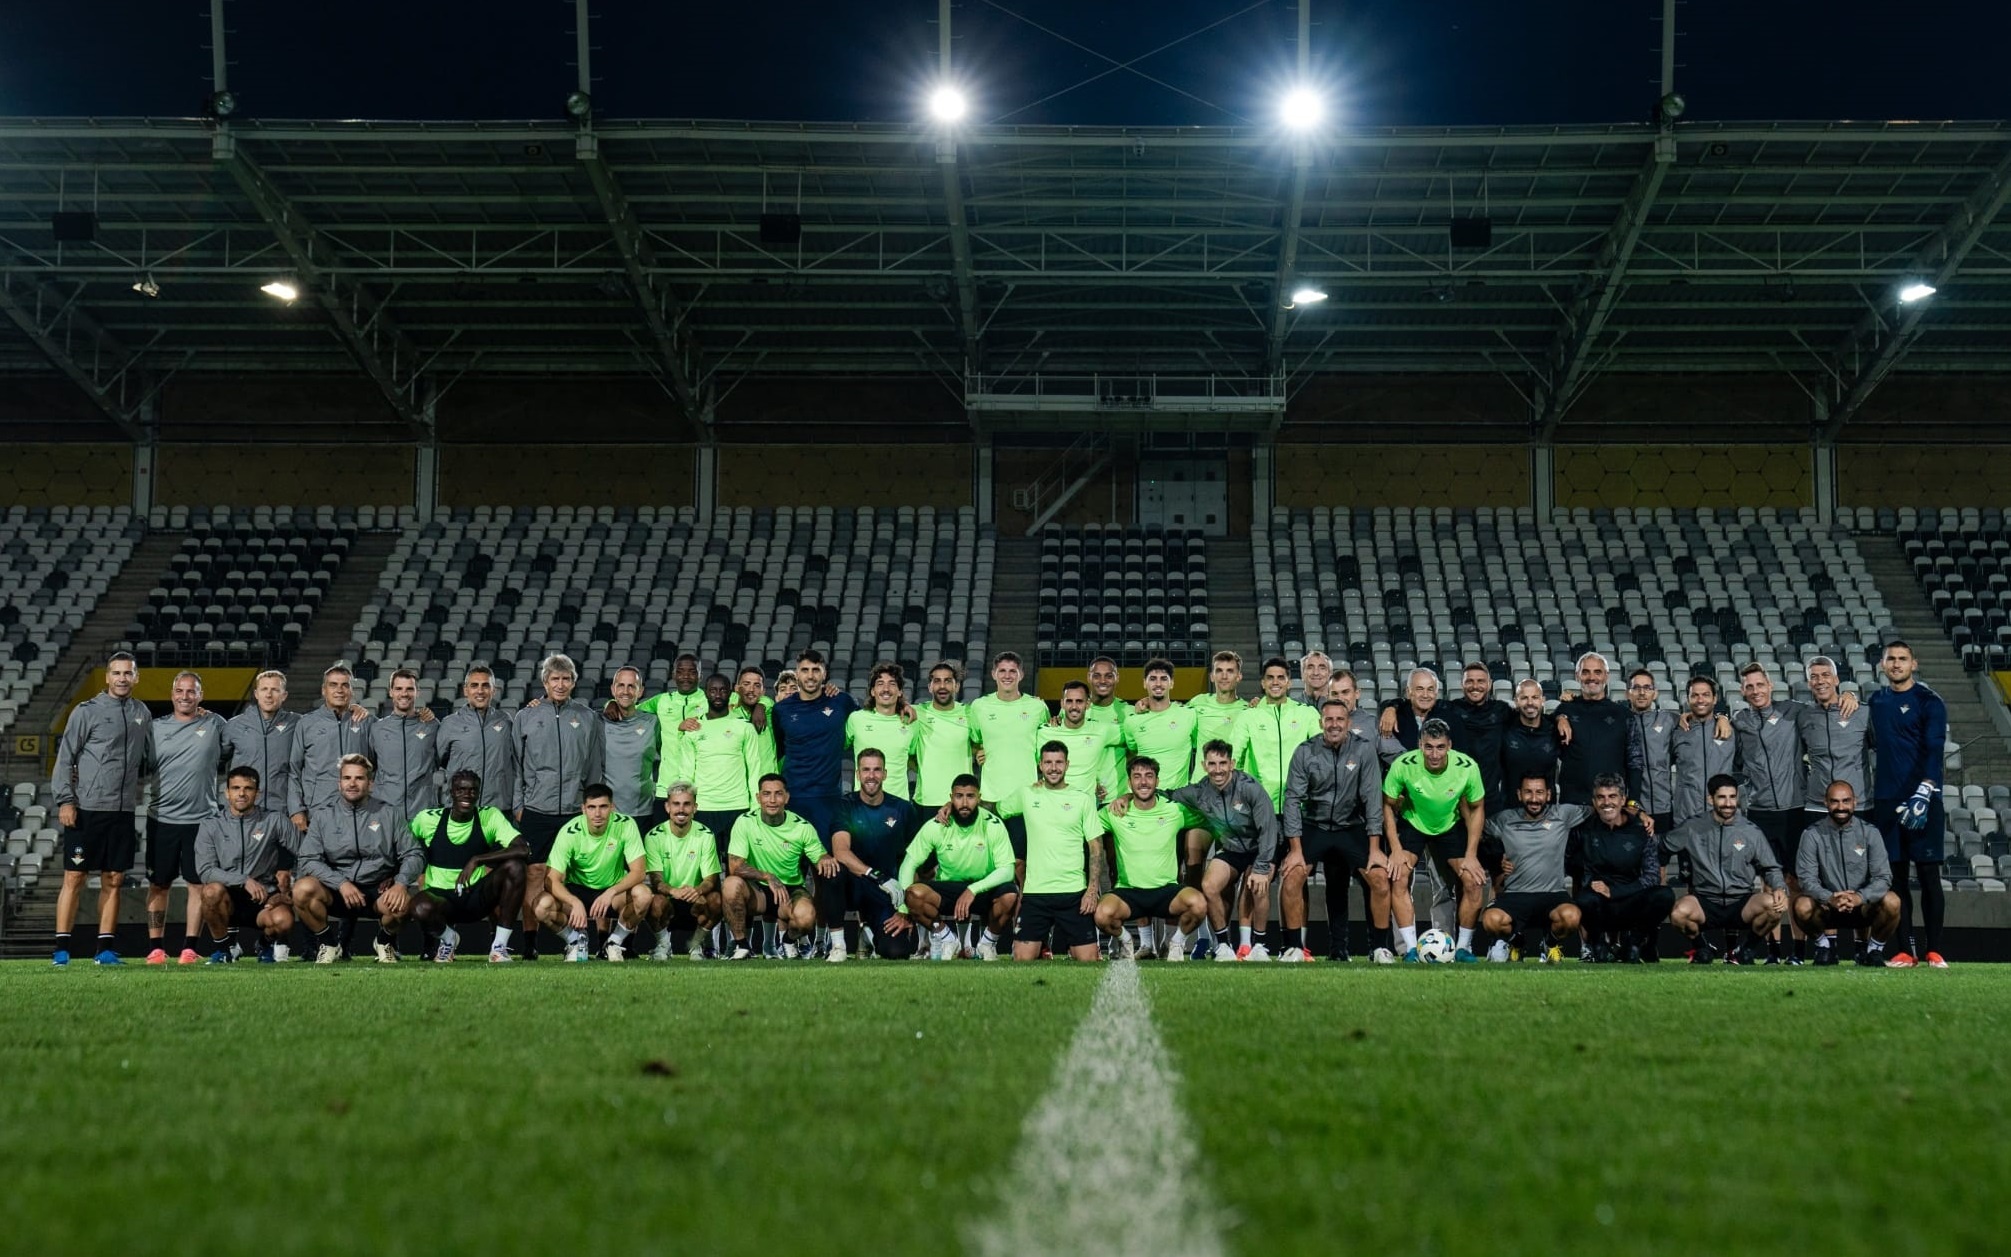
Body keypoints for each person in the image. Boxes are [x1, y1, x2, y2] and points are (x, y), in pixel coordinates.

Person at [1729, 661, 1857, 963]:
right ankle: (1773, 952)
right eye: (1749, 686)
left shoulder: (1794, 711)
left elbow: (1825, 703)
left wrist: (1848, 692)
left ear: (1770, 686)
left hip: (1795, 809)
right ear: (1742, 691)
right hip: (1760, 813)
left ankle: (1799, 951)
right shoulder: (1739, 721)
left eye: (1760, 684)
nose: (1756, 690)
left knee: (1796, 882)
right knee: (1768, 884)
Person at [51, 650, 150, 966]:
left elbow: (149, 756)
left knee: (114, 880)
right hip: (86, 811)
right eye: (117, 673)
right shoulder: (86, 711)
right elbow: (65, 757)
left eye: (128, 673)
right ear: (107, 677)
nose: (122, 678)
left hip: (121, 812)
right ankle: (61, 949)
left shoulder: (142, 713)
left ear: (136, 678)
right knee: (75, 877)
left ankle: (104, 949)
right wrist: (66, 799)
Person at [1146, 739, 1278, 961]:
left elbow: (1269, 828)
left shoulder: (1250, 788)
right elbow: (1169, 795)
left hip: (1260, 849)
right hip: (1232, 849)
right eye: (1212, 764)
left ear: (1232, 763)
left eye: (1223, 763)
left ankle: (1260, 946)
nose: (1218, 770)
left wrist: (1262, 866)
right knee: (1208, 884)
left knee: (1258, 885)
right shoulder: (1200, 791)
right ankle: (1223, 946)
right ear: (1204, 765)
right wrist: (1130, 796)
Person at [511, 652, 606, 959]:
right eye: (555, 679)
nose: (561, 684)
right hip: (537, 810)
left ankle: (576, 940)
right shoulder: (526, 716)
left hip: (573, 811)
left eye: (566, 679)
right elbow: (516, 765)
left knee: (571, 877)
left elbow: (594, 766)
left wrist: (589, 805)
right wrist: (519, 805)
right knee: (534, 875)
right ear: (545, 682)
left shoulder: (588, 717)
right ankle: (529, 945)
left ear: (574, 682)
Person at [1280, 699, 1386, 964]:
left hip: (1351, 825)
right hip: (1315, 825)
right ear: (1321, 723)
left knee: (1380, 880)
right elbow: (1292, 800)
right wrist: (1295, 851)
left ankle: (1381, 949)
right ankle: (1293, 948)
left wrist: (1374, 849)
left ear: (1349, 723)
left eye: (1340, 719)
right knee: (1292, 877)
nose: (1334, 724)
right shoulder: (1305, 751)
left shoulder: (1363, 750)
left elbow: (1373, 799)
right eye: (1329, 720)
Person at [1865, 640, 1949, 968]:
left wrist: (1926, 790)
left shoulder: (1930, 701)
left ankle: (1935, 950)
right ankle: (1906, 950)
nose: (1897, 664)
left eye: (1903, 659)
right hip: (1886, 800)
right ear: (1883, 665)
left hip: (1924, 799)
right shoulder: (1876, 701)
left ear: (1914, 664)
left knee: (1928, 875)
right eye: (1891, 659)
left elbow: (1934, 748)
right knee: (1896, 878)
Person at [292, 754, 421, 964]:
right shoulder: (323, 816)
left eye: (359, 778)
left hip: (377, 890)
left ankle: (384, 941)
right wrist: (341, 883)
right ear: (339, 783)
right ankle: (328, 943)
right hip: (337, 892)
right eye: (347, 778)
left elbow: (414, 853)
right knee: (302, 889)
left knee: (404, 902)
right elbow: (308, 859)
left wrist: (400, 883)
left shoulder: (389, 813)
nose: (352, 783)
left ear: (370, 783)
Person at [1382, 718, 1486, 962]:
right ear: (1420, 745)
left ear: (1449, 745)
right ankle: (1409, 950)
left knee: (1473, 881)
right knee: (1398, 878)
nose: (1434, 754)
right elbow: (1386, 804)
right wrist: (1396, 849)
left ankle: (1462, 948)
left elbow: (1477, 807)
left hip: (1450, 825)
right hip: (1414, 822)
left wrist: (1471, 856)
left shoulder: (1467, 767)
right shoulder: (1403, 765)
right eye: (1428, 747)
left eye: (1440, 747)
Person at [144, 670, 228, 965]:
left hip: (202, 821)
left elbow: (241, 744)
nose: (185, 696)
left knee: (197, 886)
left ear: (200, 696)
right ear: (172, 694)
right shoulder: (154, 728)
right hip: (161, 818)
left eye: (191, 691)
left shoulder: (216, 724)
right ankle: (156, 947)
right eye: (180, 691)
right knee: (158, 885)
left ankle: (189, 948)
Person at [995, 742, 1106, 963]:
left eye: (1058, 762)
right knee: (1022, 958)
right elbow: (996, 809)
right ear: (1040, 765)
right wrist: (951, 805)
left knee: (1088, 960)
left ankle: (1073, 947)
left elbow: (1096, 847)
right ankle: (1042, 946)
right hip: (1036, 894)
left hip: (1074, 892)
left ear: (1067, 765)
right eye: (1048, 762)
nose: (1053, 768)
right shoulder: (1026, 794)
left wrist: (1092, 889)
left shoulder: (1082, 798)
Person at [1661, 774, 1787, 964]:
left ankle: (1746, 950)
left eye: (1732, 797)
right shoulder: (1693, 827)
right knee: (1678, 913)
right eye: (1722, 797)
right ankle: (1702, 947)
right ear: (1710, 799)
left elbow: (1771, 867)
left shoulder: (1751, 831)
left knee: (1774, 906)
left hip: (1741, 902)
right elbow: (1662, 846)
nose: (1728, 803)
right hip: (1705, 901)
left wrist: (1780, 888)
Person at [406, 769, 528, 964]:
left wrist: (477, 859)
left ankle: (499, 948)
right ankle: (448, 939)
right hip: (442, 899)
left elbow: (523, 849)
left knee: (516, 867)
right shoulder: (427, 819)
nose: (467, 795)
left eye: (472, 790)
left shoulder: (489, 816)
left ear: (478, 794)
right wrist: (398, 877)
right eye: (461, 790)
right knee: (419, 907)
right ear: (451, 792)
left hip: (476, 896)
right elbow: (402, 847)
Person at [1095, 756, 1208, 961]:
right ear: (1129, 783)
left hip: (1166, 892)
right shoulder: (1115, 812)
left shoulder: (1174, 810)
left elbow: (1209, 815)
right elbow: (1085, 821)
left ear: (1157, 781)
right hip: (1129, 893)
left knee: (1199, 904)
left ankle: (1176, 943)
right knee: (1102, 914)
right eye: (1137, 777)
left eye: (1149, 776)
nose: (1143, 782)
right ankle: (1126, 940)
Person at [901, 774, 1019, 961]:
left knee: (1010, 895)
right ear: (951, 798)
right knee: (913, 894)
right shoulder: (937, 825)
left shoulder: (993, 824)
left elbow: (1007, 870)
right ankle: (948, 939)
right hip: (948, 889)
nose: (964, 803)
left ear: (979, 798)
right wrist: (902, 909)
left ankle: (987, 944)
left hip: (982, 888)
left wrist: (973, 889)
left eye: (970, 796)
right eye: (959, 796)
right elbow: (908, 864)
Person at [1477, 774, 1588, 964]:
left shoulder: (1564, 814)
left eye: (1539, 792)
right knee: (1490, 920)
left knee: (1572, 917)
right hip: (1516, 895)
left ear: (1549, 794)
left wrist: (1639, 813)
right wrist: (1497, 861)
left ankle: (1549, 943)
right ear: (1519, 795)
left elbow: (1603, 809)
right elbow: (1476, 830)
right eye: (1528, 792)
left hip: (1553, 894)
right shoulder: (1505, 819)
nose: (1534, 799)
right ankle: (1517, 943)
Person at [826, 748, 924, 961]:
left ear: (885, 774)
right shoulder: (845, 805)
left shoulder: (902, 809)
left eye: (877, 770)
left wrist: (906, 908)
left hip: (888, 894)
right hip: (856, 886)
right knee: (833, 871)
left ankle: (868, 935)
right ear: (858, 774)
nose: (871, 775)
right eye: (866, 770)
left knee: (896, 952)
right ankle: (839, 947)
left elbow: (915, 861)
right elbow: (841, 851)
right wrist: (877, 876)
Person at [191, 766, 295, 963]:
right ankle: (224, 950)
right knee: (210, 892)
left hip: (264, 897)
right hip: (227, 899)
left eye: (248, 788)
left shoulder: (274, 820)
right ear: (226, 793)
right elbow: (205, 871)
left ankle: (264, 944)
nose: (241, 793)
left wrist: (291, 890)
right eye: (236, 788)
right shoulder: (210, 825)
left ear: (257, 793)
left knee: (284, 921)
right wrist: (243, 880)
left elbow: (307, 853)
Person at [535, 783, 648, 962]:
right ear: (583, 809)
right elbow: (551, 880)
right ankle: (575, 942)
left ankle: (613, 943)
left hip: (612, 893)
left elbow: (639, 872)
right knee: (542, 906)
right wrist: (574, 901)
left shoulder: (626, 824)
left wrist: (610, 892)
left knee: (643, 895)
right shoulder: (569, 832)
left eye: (603, 807)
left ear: (612, 807)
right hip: (577, 891)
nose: (597, 813)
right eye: (592, 807)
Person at [1794, 780, 1901, 967]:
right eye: (1834, 801)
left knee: (1893, 901)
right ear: (1825, 802)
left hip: (1863, 906)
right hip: (1828, 906)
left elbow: (1883, 877)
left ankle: (1873, 950)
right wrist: (1829, 898)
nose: (1840, 807)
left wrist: (1860, 897)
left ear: (1855, 802)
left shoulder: (1870, 833)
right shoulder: (1811, 834)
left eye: (1845, 801)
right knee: (1801, 906)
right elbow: (1806, 880)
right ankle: (1824, 947)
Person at [721, 774, 829, 960]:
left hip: (790, 892)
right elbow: (735, 866)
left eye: (778, 794)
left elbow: (820, 857)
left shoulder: (802, 827)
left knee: (807, 916)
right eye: (766, 794)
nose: (772, 800)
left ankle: (788, 941)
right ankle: (742, 946)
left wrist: (826, 858)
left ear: (786, 797)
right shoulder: (745, 821)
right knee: (731, 884)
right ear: (758, 798)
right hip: (758, 893)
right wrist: (768, 876)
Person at [1569, 774, 1675, 963]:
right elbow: (1564, 859)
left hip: (1631, 902)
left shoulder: (1641, 830)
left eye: (1612, 796)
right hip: (1600, 905)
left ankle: (1633, 944)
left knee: (1664, 895)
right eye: (1600, 797)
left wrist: (1615, 891)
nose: (1606, 802)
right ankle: (1598, 944)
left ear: (1623, 799)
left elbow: (1652, 876)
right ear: (1594, 801)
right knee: (1583, 898)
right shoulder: (1583, 830)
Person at [769, 648, 864, 849]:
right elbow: (779, 747)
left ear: (824, 673)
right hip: (793, 796)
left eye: (816, 670)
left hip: (828, 798)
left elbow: (872, 716)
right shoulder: (782, 709)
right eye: (805, 670)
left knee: (827, 866)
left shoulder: (841, 701)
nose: (810, 676)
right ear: (797, 673)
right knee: (792, 865)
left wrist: (903, 706)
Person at [666, 673, 763, 857]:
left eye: (723, 690)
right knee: (705, 870)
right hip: (704, 808)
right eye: (713, 690)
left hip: (738, 807)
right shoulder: (693, 730)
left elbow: (754, 768)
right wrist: (688, 806)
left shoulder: (744, 727)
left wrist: (755, 807)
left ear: (730, 693)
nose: (718, 695)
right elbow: (686, 773)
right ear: (706, 693)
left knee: (738, 869)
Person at [286, 661, 373, 834]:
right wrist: (296, 809)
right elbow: (294, 770)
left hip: (359, 810)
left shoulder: (367, 723)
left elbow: (379, 767)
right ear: (323, 690)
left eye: (345, 685)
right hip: (316, 811)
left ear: (351, 691)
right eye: (333, 685)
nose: (339, 690)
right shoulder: (306, 724)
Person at [641, 782, 724, 961]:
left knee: (717, 900)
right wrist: (674, 891)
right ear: (667, 806)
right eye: (676, 804)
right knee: (652, 901)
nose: (681, 809)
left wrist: (697, 890)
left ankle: (696, 946)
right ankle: (663, 946)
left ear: (695, 807)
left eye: (687, 804)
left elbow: (711, 878)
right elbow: (656, 880)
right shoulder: (654, 836)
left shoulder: (705, 835)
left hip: (696, 900)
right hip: (668, 900)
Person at [220, 669, 300, 852]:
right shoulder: (234, 725)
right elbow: (215, 758)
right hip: (244, 811)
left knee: (283, 875)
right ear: (256, 694)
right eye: (264, 689)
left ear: (284, 695)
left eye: (275, 689)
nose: (269, 695)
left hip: (281, 812)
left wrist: (353, 708)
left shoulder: (298, 723)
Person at [1232, 656, 1320, 816]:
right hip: (1259, 806)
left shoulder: (1307, 714)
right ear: (1263, 683)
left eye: (1281, 677)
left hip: (1299, 805)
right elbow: (1234, 757)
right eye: (1270, 678)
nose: (1275, 682)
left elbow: (1322, 753)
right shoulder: (1248, 716)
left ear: (1289, 683)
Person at [436, 662, 519, 813]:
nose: (480, 691)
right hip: (461, 809)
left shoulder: (506, 721)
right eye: (474, 685)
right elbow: (441, 760)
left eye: (485, 686)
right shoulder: (449, 724)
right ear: (465, 690)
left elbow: (515, 763)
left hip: (498, 809)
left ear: (493, 690)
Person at [968, 650, 1046, 808]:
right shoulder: (979, 706)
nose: (1007, 676)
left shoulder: (1038, 707)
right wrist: (978, 752)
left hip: (1027, 796)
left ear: (1021, 675)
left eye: (1013, 671)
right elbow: (974, 741)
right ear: (993, 674)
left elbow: (1047, 742)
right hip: (990, 797)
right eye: (1002, 671)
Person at [367, 668, 441, 828]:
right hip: (387, 814)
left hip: (423, 814)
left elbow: (442, 761)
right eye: (399, 688)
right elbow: (368, 767)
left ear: (417, 692)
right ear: (391, 692)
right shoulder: (377, 729)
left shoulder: (432, 726)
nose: (404, 693)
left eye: (409, 689)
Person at [1441, 663, 1517, 811]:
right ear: (1462, 684)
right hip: (1458, 796)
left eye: (1480, 681)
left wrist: (1561, 716)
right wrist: (1392, 708)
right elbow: (1415, 704)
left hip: (1492, 796)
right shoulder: (1450, 709)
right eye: (1469, 681)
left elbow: (1533, 717)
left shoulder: (1502, 710)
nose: (1475, 686)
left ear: (1489, 685)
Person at [1557, 653, 1629, 807]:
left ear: (1606, 676)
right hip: (1572, 802)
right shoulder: (1565, 709)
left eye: (1598, 672)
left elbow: (1633, 762)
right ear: (1577, 676)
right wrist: (1559, 716)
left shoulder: (1622, 714)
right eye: (1585, 672)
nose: (1592, 677)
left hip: (1610, 804)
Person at [844, 662, 919, 800]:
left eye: (892, 684)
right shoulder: (856, 719)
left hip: (898, 805)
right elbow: (836, 747)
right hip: (862, 805)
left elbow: (914, 759)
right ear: (872, 691)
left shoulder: (911, 723)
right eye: (880, 684)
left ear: (900, 691)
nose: (886, 689)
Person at [1123, 657, 1199, 791]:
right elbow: (1132, 752)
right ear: (1144, 683)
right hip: (1143, 797)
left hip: (1176, 800)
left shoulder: (1189, 715)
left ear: (1172, 683)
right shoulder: (1131, 721)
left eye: (1164, 679)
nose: (1158, 684)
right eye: (1152, 679)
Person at [600, 665, 662, 830]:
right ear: (613, 690)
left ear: (640, 691)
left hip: (643, 812)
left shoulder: (652, 722)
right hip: (608, 813)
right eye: (621, 685)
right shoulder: (598, 722)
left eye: (631, 686)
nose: (625, 691)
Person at [1670, 676, 1736, 830]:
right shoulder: (1676, 732)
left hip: (1722, 819)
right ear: (1687, 699)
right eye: (1695, 695)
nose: (1700, 700)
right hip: (1686, 818)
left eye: (1705, 695)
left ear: (1715, 699)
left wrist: (1722, 717)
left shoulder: (1731, 731)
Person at [1049, 680, 1127, 801]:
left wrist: (1148, 703)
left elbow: (1135, 730)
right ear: (1062, 704)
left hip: (1087, 808)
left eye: (1079, 701)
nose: (1074, 706)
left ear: (1088, 704)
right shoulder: (1046, 732)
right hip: (1053, 805)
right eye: (1069, 701)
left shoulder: (1101, 730)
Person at [912, 661, 975, 808]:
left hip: (961, 802)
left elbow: (982, 742)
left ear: (956, 686)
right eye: (937, 681)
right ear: (930, 687)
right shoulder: (916, 712)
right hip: (927, 801)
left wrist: (981, 750)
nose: (942, 686)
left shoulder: (970, 713)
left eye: (947, 681)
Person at [1621, 669, 1676, 835]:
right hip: (1631, 806)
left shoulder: (1669, 720)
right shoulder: (1620, 721)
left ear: (1655, 693)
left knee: (1660, 857)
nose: (1642, 693)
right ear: (1628, 693)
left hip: (1662, 805)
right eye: (1636, 688)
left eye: (1647, 687)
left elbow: (1699, 719)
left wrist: (1722, 717)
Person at [1499, 678, 1566, 801]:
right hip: (1510, 809)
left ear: (1543, 700)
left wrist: (1561, 717)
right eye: (1524, 698)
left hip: (1546, 811)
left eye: (1535, 697)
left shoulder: (1555, 730)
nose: (1530, 702)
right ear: (1516, 701)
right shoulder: (1504, 728)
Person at [1376, 667, 1443, 770]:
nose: (1425, 695)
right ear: (1408, 692)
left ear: (1436, 693)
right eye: (1419, 689)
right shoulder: (1393, 718)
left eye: (1430, 689)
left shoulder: (1447, 717)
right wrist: (1391, 707)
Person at [1082, 656, 1131, 788]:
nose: (1102, 681)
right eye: (1097, 676)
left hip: (1118, 797)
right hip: (1083, 792)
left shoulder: (1129, 712)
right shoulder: (1074, 711)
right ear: (1089, 677)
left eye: (1109, 676)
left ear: (1117, 677)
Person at [1186, 650, 1247, 750]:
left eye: (1230, 671)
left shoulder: (1247, 710)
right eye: (1219, 671)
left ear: (1239, 677)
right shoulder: (1197, 702)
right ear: (1212, 677)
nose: (1224, 676)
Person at [731, 666, 778, 778]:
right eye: (746, 684)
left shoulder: (770, 712)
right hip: (740, 784)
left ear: (763, 691)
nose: (751, 689)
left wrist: (761, 705)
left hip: (768, 782)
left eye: (757, 685)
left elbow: (770, 702)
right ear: (737, 688)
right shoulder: (729, 713)